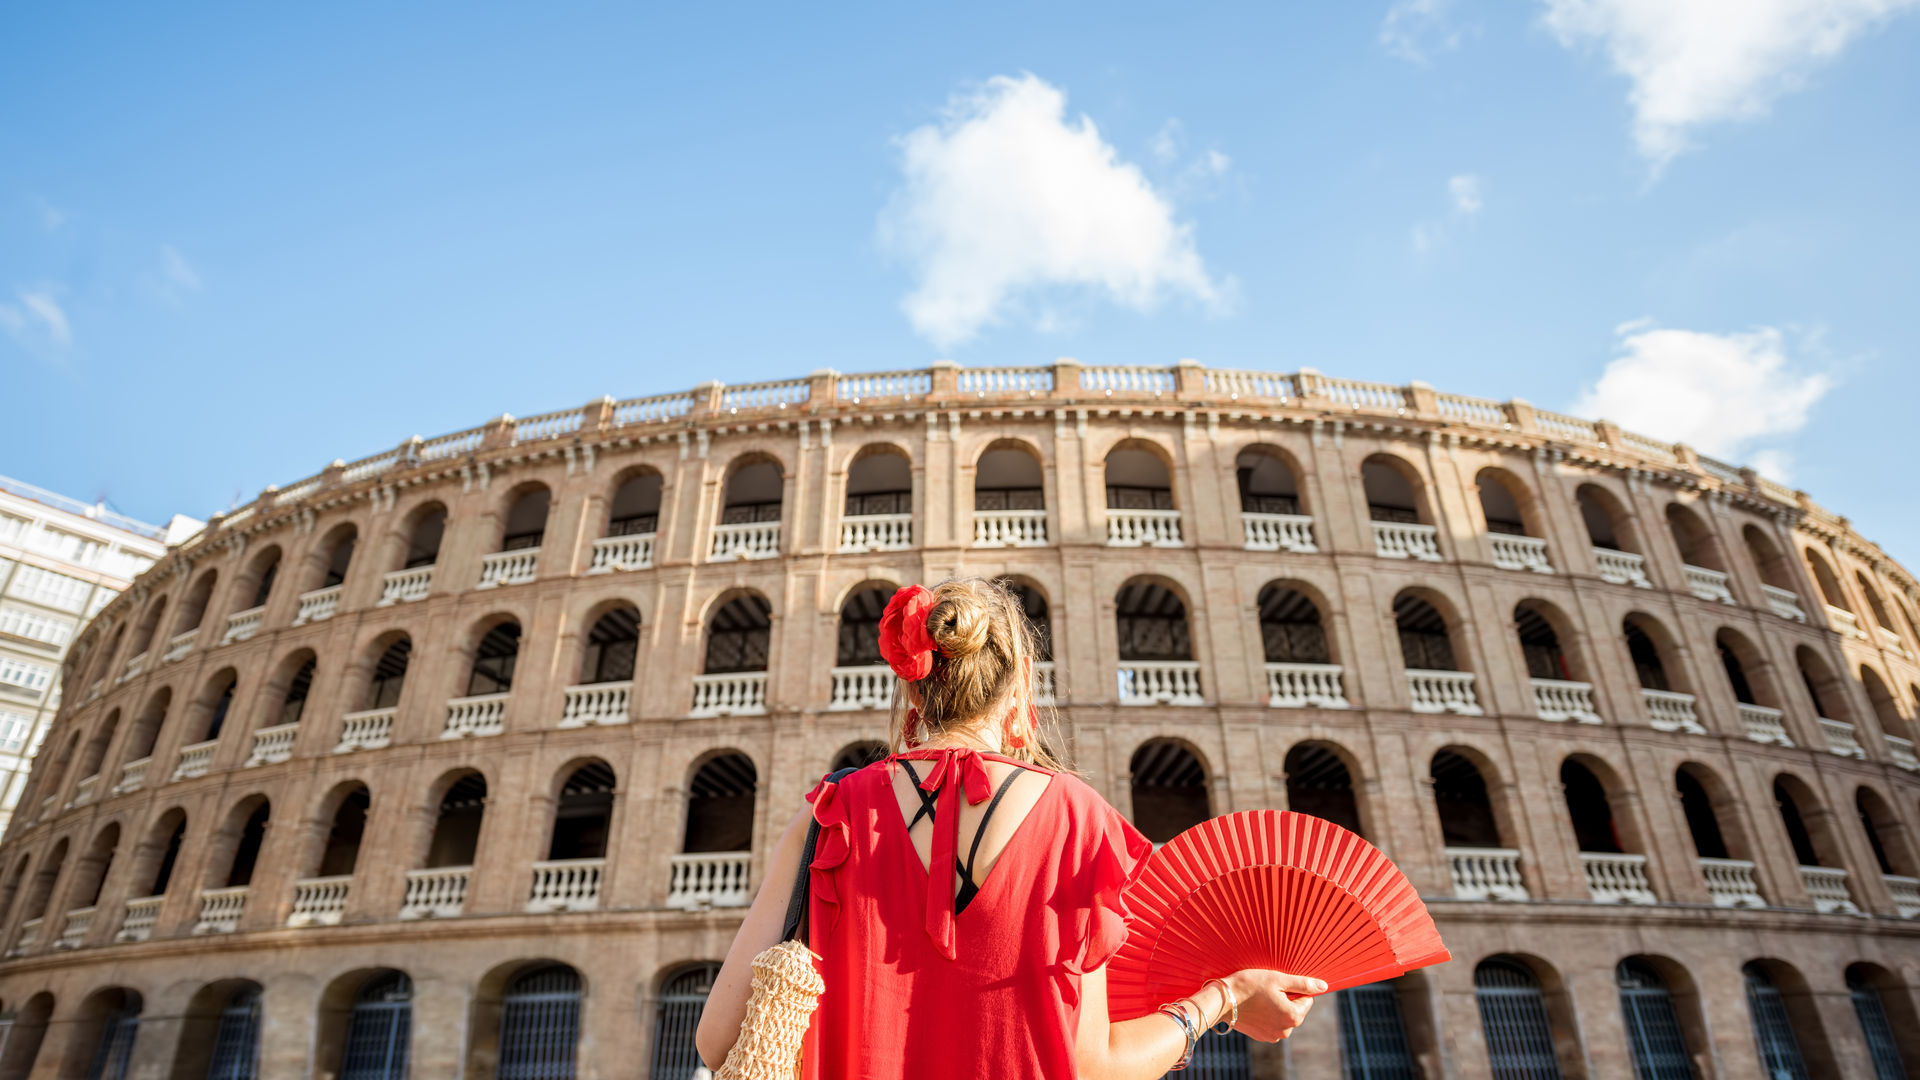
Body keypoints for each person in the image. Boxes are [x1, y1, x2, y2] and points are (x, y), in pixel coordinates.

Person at [697, 578, 1321, 1079]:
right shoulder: (1078, 820)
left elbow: (718, 1041)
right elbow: (1092, 1067)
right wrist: (1223, 998)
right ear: (1023, 684)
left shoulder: (829, 815)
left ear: (914, 692)